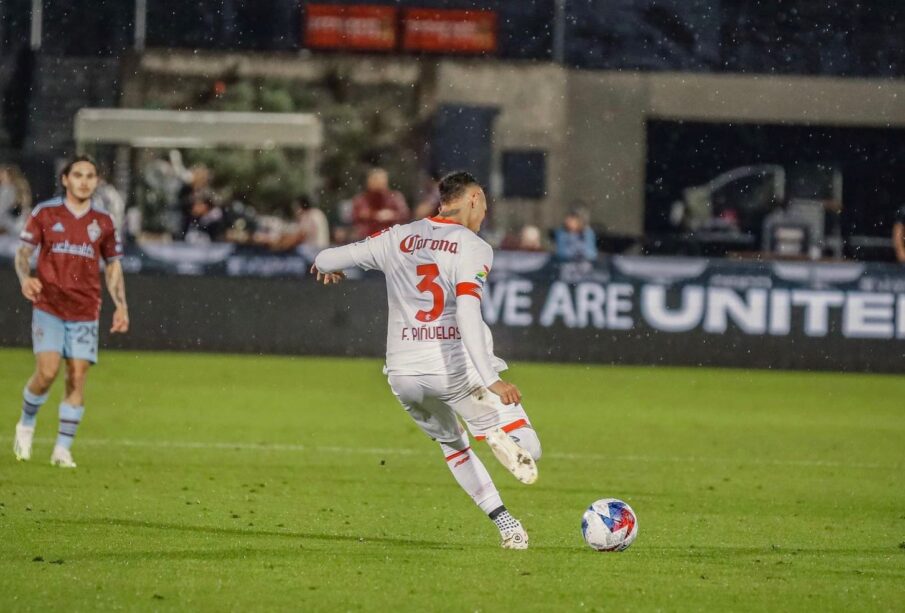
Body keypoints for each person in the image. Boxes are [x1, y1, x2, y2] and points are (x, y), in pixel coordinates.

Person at [311, 171, 541, 549]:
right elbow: (467, 313)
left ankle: (508, 526)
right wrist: (491, 378)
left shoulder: (397, 236)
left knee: (454, 446)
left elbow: (325, 256)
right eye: (483, 204)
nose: (484, 213)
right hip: (455, 369)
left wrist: (328, 267)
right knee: (530, 448)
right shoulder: (473, 246)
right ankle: (500, 434)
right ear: (473, 198)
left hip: (404, 375)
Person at [12, 155, 129, 468]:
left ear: (96, 181)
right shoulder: (46, 213)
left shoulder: (103, 222)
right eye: (78, 174)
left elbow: (113, 265)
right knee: (47, 373)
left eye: (90, 175)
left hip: (85, 309)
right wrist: (26, 280)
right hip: (49, 305)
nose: (84, 181)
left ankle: (62, 449)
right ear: (65, 179)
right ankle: (26, 423)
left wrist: (121, 305)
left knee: (76, 377)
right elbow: (23, 254)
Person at [351, 168, 410, 239]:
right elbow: (355, 216)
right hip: (366, 239)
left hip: (390, 238)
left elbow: (405, 214)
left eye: (382, 179)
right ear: (369, 181)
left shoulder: (395, 197)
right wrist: (374, 215)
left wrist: (392, 215)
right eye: (375, 179)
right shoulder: (360, 199)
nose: (379, 182)